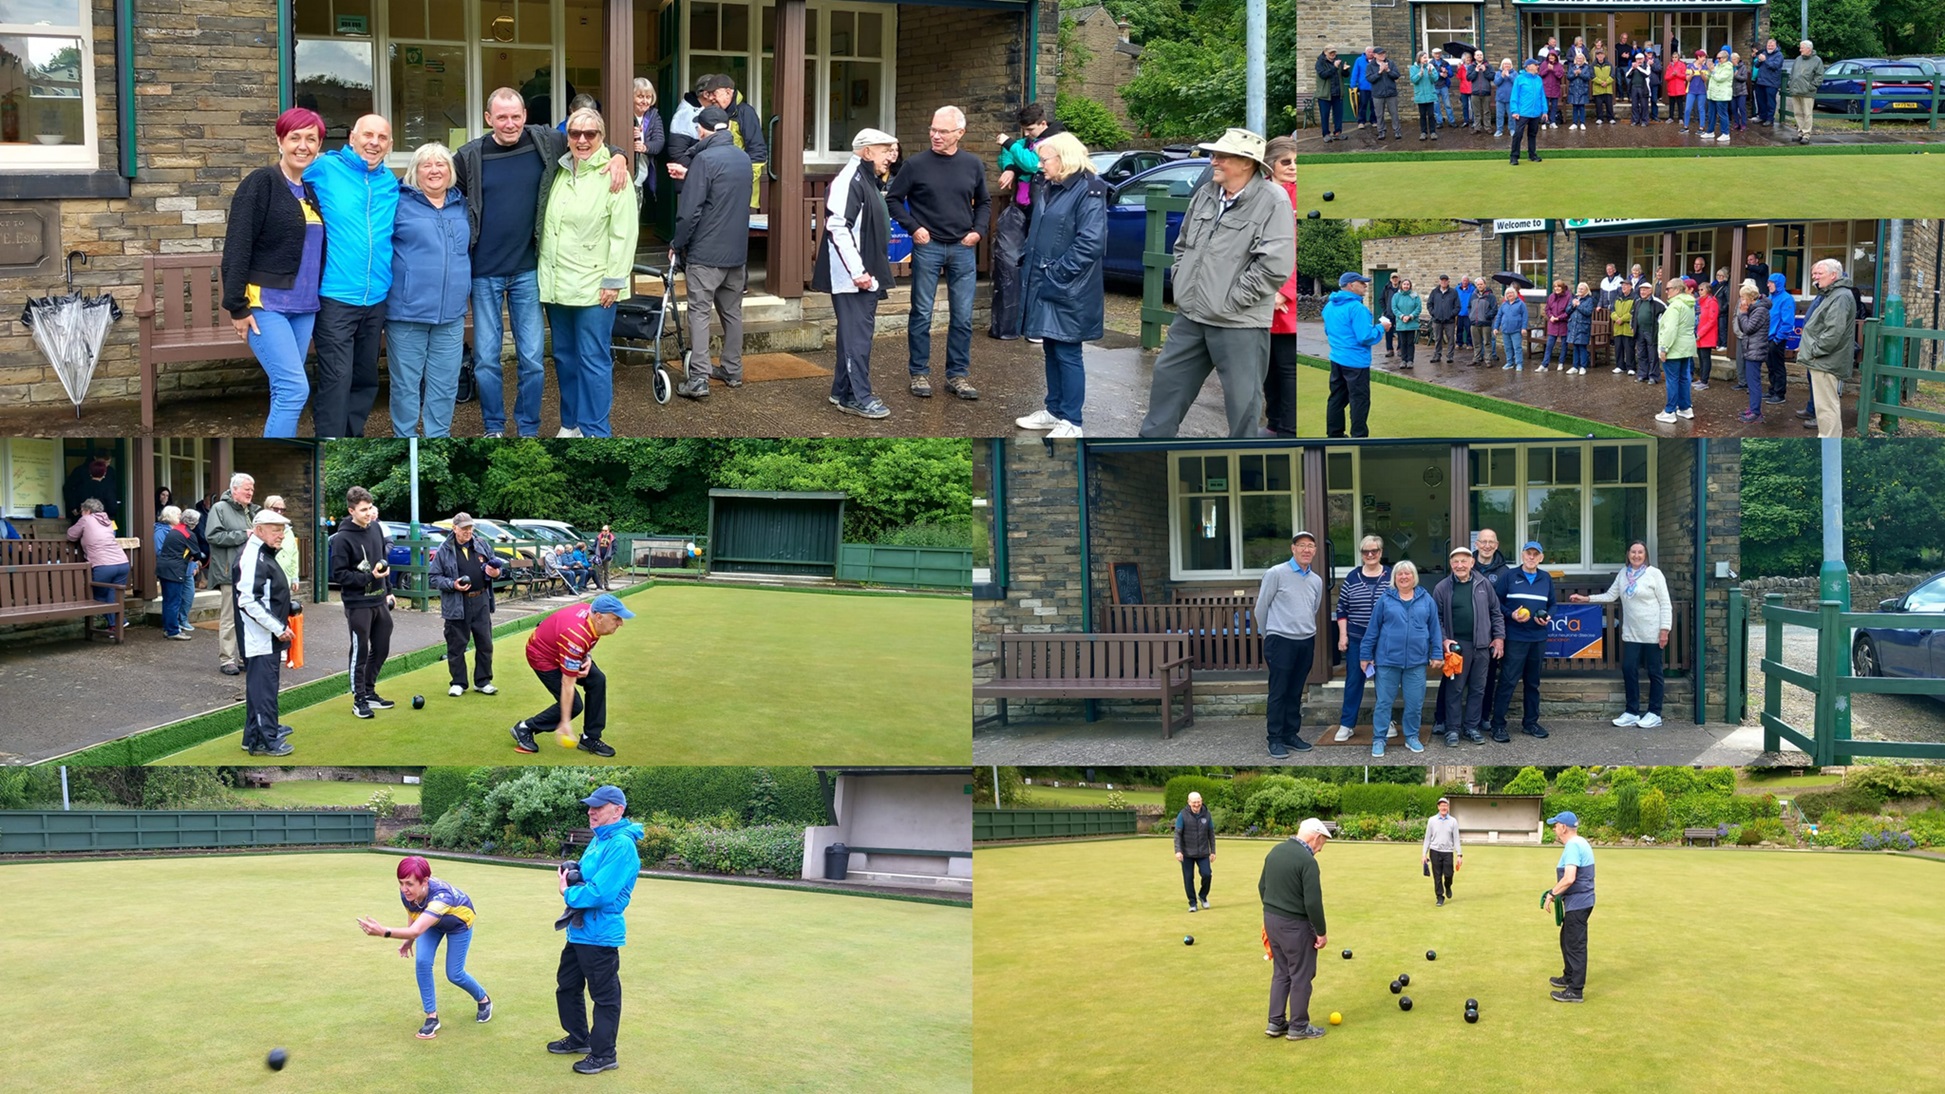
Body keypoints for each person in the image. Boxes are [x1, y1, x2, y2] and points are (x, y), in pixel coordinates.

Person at [455, 88, 630, 439]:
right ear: (488, 118)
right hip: (489, 273)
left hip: (529, 272)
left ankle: (530, 427)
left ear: (525, 116)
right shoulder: (469, 157)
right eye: (501, 117)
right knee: (489, 360)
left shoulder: (544, 143)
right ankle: (494, 426)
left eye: (516, 115)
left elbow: (591, 141)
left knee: (534, 361)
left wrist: (620, 156)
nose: (509, 123)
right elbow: (440, 188)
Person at [1136, 128, 1293, 438]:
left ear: (1246, 162)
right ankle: (1150, 452)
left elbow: (1275, 264)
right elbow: (1182, 245)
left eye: (1222, 156)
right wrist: (1181, 283)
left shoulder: (1273, 200)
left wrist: (1231, 301)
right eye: (1214, 154)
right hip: (1191, 315)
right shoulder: (1207, 192)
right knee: (1168, 381)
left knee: (1242, 403)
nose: (1214, 160)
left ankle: (1245, 470)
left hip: (1240, 322)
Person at [222, 107, 326, 437]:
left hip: (304, 308)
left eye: (311, 139)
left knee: (283, 391)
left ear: (319, 145)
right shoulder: (262, 182)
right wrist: (237, 306)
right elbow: (237, 246)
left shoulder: (309, 191)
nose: (303, 145)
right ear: (280, 140)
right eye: (295, 137)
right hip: (266, 307)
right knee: (295, 390)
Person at [536, 107, 637, 437]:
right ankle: (571, 424)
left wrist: (614, 281)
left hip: (596, 288)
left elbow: (624, 234)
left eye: (590, 134)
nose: (582, 139)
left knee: (593, 360)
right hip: (557, 285)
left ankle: (596, 431)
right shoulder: (560, 172)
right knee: (565, 358)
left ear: (602, 137)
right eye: (575, 133)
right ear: (567, 137)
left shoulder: (614, 174)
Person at [887, 106, 990, 401]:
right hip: (927, 245)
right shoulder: (916, 165)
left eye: (943, 131)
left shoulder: (972, 164)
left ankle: (957, 375)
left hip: (963, 246)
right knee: (921, 312)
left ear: (960, 133)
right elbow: (894, 199)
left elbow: (983, 202)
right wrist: (913, 228)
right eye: (933, 129)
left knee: (963, 316)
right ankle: (919, 372)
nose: (935, 136)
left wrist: (978, 230)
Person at [306, 114, 399, 438]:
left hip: (376, 298)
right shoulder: (324, 169)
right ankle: (331, 438)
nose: (374, 142)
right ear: (352, 137)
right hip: (335, 296)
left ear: (389, 145)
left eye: (382, 137)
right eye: (368, 135)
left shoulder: (390, 182)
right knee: (337, 377)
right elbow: (286, 182)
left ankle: (352, 435)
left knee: (364, 376)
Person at [1016, 131, 1109, 440]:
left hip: (1070, 287)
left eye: (1044, 160)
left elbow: (1091, 242)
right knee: (1052, 347)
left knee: (1068, 351)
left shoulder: (1089, 190)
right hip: (1050, 280)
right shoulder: (1051, 186)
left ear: (1064, 158)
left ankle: (1072, 420)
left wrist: (1057, 273)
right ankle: (1054, 410)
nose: (1040, 165)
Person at [550, 784, 643, 1075]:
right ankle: (579, 1039)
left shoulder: (621, 844)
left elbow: (601, 892)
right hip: (579, 931)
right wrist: (573, 868)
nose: (591, 811)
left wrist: (567, 891)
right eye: (590, 806)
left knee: (604, 997)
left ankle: (604, 1055)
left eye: (598, 807)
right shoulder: (601, 838)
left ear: (618, 810)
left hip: (600, 934)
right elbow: (588, 873)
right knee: (567, 985)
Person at [811, 129, 899, 420]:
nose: (891, 156)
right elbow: (837, 226)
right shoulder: (851, 179)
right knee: (857, 338)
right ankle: (859, 397)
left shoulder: (864, 178)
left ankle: (842, 392)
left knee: (854, 335)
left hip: (862, 273)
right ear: (867, 151)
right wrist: (858, 272)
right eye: (886, 150)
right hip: (854, 276)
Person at [667, 105, 751, 403]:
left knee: (699, 313)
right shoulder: (743, 159)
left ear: (702, 130)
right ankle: (732, 370)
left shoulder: (704, 159)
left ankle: (699, 378)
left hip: (706, 253)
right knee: (732, 313)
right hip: (737, 253)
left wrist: (677, 244)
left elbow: (690, 212)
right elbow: (726, 195)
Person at [356, 857, 492, 1040]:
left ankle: (483, 999)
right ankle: (432, 1017)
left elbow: (417, 929)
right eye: (401, 883)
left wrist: (383, 932)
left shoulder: (441, 898)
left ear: (425, 881)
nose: (404, 889)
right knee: (422, 962)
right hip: (432, 923)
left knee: (454, 973)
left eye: (409, 884)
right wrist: (409, 940)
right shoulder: (407, 893)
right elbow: (414, 913)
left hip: (458, 923)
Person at [386, 143, 470, 438]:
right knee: (406, 386)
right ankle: (405, 439)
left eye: (441, 164)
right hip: (407, 313)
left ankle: (437, 438)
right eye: (426, 165)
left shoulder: (462, 205)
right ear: (415, 172)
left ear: (451, 171)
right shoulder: (397, 202)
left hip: (451, 315)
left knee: (445, 385)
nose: (435, 170)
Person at [512, 593, 635, 756]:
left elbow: (588, 639)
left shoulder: (592, 615)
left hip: (564, 647)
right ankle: (525, 728)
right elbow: (567, 683)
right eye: (616, 619)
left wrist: (587, 656)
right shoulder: (576, 636)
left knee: (597, 680)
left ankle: (590, 738)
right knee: (574, 706)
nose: (621, 623)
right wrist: (564, 722)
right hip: (543, 656)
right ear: (599, 617)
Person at [1572, 540, 1672, 728]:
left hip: (1653, 632)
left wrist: (1664, 630)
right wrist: (1586, 598)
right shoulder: (1624, 574)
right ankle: (1632, 711)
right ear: (1628, 554)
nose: (1636, 555)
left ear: (1645, 555)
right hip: (1632, 633)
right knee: (1628, 670)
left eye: (1640, 552)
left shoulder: (1654, 574)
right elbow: (1610, 596)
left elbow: (1665, 603)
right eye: (1633, 552)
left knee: (1654, 672)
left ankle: (1654, 713)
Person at [1359, 560, 1442, 757]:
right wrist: (1365, 654)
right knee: (1383, 703)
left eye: (1408, 574)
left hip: (1416, 663)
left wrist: (1437, 653)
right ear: (1394, 578)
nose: (1404, 577)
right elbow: (1373, 629)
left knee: (1414, 704)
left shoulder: (1426, 599)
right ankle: (1379, 739)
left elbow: (1435, 629)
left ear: (1414, 577)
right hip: (1387, 661)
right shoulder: (1385, 599)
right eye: (1399, 574)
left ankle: (1412, 736)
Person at [328, 486, 397, 719]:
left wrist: (387, 590)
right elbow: (339, 575)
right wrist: (369, 577)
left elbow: (381, 562)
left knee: (382, 645)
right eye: (364, 510)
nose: (369, 513)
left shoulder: (376, 529)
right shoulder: (342, 538)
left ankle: (369, 691)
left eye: (370, 508)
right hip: (357, 603)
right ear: (351, 510)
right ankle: (358, 699)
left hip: (379, 600)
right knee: (360, 650)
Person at [1260, 818, 1331, 1041]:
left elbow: (1262, 887)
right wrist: (1321, 931)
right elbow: (1312, 902)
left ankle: (1276, 1022)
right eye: (1323, 843)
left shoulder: (1276, 851)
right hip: (1295, 926)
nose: (1320, 849)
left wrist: (1274, 909)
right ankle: (1299, 1025)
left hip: (1271, 920)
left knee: (1281, 972)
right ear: (1316, 837)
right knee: (1301, 974)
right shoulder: (1307, 861)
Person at [1257, 531, 1324, 757]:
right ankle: (1274, 738)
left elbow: (1312, 608)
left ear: (1315, 551)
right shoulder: (1276, 573)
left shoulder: (1316, 580)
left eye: (1311, 546)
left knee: (1295, 691)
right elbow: (1261, 608)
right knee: (1279, 691)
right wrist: (1269, 635)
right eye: (1302, 545)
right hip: (1280, 641)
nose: (1306, 549)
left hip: (1305, 641)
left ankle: (1290, 734)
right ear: (1292, 548)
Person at [235, 509, 297, 756]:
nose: (281, 534)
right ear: (259, 530)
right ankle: (266, 739)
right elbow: (248, 601)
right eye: (275, 529)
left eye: (282, 529)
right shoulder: (254, 557)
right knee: (264, 689)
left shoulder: (261, 553)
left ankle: (254, 735)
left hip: (265, 635)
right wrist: (278, 627)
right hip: (259, 637)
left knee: (262, 687)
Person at [1433, 544, 1503, 747]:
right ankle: (1452, 729)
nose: (1460, 565)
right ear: (1451, 564)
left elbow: (1496, 613)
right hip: (1457, 648)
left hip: (1482, 645)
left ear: (1472, 562)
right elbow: (1435, 619)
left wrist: (1499, 638)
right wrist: (1444, 640)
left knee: (1478, 689)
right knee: (1454, 689)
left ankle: (1471, 727)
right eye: (1455, 561)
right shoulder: (1442, 588)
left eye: (1464, 561)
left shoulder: (1484, 584)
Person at [429, 513, 505, 700]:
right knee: (456, 645)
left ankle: (483, 681)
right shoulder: (445, 549)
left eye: (470, 527)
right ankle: (458, 682)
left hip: (481, 600)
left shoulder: (481, 544)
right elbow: (433, 578)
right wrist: (452, 584)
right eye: (464, 528)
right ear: (454, 528)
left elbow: (496, 570)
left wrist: (495, 573)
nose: (468, 531)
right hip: (457, 602)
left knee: (485, 643)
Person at [990, 105, 1046, 340]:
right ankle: (1008, 327)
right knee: (1009, 265)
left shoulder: (1052, 142)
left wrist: (1009, 143)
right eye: (1023, 130)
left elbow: (1033, 164)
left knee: (1038, 266)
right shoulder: (1025, 143)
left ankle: (1035, 326)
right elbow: (1005, 158)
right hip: (1021, 207)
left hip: (1042, 210)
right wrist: (1011, 167)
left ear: (1043, 124)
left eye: (1030, 129)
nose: (1026, 134)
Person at [1491, 540, 1555, 742]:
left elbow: (1552, 604)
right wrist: (1511, 615)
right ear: (1522, 555)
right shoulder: (1509, 576)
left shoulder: (1546, 578)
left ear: (1541, 557)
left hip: (1538, 637)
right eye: (1528, 553)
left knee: (1533, 683)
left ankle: (1530, 723)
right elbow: (1495, 603)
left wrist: (1547, 617)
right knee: (1508, 681)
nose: (1532, 557)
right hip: (1515, 637)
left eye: (1536, 554)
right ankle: (1498, 725)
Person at [1331, 534, 1391, 743]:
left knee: (1385, 682)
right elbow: (1342, 609)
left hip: (1385, 641)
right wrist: (1342, 635)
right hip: (1357, 638)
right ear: (1362, 554)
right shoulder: (1352, 577)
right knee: (1354, 681)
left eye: (1374, 550)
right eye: (1366, 551)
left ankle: (1387, 720)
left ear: (1381, 552)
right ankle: (1347, 724)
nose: (1370, 554)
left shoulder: (1391, 577)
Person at [1322, 273, 1388, 438]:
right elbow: (1365, 337)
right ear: (1351, 285)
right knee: (1359, 401)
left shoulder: (1329, 306)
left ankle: (1334, 434)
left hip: (1337, 358)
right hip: (1356, 362)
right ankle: (1359, 437)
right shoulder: (1357, 308)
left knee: (1336, 398)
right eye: (1362, 283)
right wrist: (1382, 328)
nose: (1366, 286)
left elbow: (1328, 331)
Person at [1798, 258, 1858, 438]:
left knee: (1826, 407)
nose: (1815, 277)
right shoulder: (1832, 294)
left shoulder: (1839, 296)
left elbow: (1833, 332)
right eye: (1814, 274)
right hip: (1824, 360)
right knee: (1826, 406)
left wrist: (1814, 351)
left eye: (1819, 273)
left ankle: (1828, 444)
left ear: (1833, 275)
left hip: (1825, 361)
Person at [206, 473, 259, 675]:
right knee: (229, 617)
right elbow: (212, 536)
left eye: (252, 489)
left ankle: (244, 656)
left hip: (250, 570)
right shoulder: (219, 508)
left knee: (247, 615)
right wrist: (242, 535)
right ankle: (227, 660)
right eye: (247, 489)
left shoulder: (251, 511)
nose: (250, 493)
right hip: (229, 571)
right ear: (234, 489)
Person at [1542, 811, 1595, 1003]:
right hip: (1579, 901)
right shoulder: (1580, 842)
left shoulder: (1573, 846)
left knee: (1575, 945)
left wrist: (1552, 894)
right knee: (1567, 939)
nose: (1554, 829)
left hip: (1579, 902)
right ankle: (1569, 976)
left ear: (1563, 827)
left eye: (1555, 825)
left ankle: (1575, 990)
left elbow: (1570, 877)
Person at [1265, 136, 1299, 436]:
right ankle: (1273, 420)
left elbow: (1293, 247)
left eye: (1296, 161)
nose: (1292, 167)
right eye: (1286, 162)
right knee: (1268, 366)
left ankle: (1289, 427)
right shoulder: (1263, 192)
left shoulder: (1298, 194)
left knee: (1288, 367)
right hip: (1263, 292)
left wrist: (1283, 290)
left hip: (1285, 297)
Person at [695, 74, 769, 208]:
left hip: (742, 195)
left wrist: (742, 181)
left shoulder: (746, 113)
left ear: (728, 92)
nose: (710, 98)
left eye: (714, 93)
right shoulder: (717, 112)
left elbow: (758, 153)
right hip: (720, 191)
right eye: (709, 94)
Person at [66, 498, 130, 633]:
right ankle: (118, 623)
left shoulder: (86, 519)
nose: (81, 514)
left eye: (82, 511)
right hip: (122, 562)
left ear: (87, 510)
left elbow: (71, 535)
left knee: (97, 594)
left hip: (103, 564)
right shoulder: (108, 521)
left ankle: (116, 623)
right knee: (113, 595)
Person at [1655, 278, 1698, 425]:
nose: (1666, 291)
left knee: (1672, 379)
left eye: (1669, 288)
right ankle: (1685, 408)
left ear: (1678, 289)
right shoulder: (1689, 304)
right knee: (1684, 378)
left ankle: (1669, 411)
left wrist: (1663, 348)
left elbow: (1670, 330)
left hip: (1674, 348)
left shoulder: (1675, 306)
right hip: (1686, 347)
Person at [156, 506, 201, 640]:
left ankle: (168, 628)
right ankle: (173, 631)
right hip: (175, 570)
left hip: (164, 568)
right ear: (193, 523)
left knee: (168, 601)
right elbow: (197, 554)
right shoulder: (188, 534)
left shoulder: (174, 530)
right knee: (174, 601)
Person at [1734, 280, 1772, 423]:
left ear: (1750, 297)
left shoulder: (1760, 311)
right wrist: (1744, 314)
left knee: (1754, 382)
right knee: (1751, 381)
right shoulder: (1755, 309)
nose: (1741, 300)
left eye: (1743, 297)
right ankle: (1753, 408)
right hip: (1752, 349)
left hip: (1755, 350)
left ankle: (1756, 412)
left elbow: (1748, 328)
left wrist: (1743, 314)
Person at [1174, 791, 1217, 912]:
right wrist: (1178, 851)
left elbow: (1211, 834)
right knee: (1188, 878)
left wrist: (1213, 851)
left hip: (1203, 852)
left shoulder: (1207, 814)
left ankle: (1203, 896)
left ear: (1201, 801)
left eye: (1198, 802)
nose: (1196, 805)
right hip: (1187, 853)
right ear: (1189, 802)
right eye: (1194, 802)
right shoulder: (1182, 815)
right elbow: (1177, 834)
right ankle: (1192, 903)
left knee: (1207, 875)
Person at [1421, 797, 1463, 906]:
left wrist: (1459, 854)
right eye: (1441, 805)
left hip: (1448, 851)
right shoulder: (1432, 820)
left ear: (1448, 807)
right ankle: (1439, 897)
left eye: (1445, 805)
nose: (1443, 807)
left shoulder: (1453, 821)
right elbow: (1427, 838)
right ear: (1438, 807)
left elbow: (1456, 839)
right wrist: (1423, 854)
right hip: (1435, 851)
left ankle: (1448, 885)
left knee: (1449, 874)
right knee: (1437, 875)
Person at [631, 77, 665, 210]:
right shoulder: (623, 114)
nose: (645, 101)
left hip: (643, 171)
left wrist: (644, 146)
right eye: (640, 96)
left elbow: (659, 142)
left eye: (648, 97)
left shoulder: (654, 116)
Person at [1787, 40, 1826, 143]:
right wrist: (1791, 83)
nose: (1800, 50)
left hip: (1807, 92)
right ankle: (1800, 133)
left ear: (1809, 49)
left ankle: (1806, 135)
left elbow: (1819, 76)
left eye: (1802, 48)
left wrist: (1811, 86)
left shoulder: (1817, 61)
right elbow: (1792, 73)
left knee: (1807, 114)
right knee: (1798, 113)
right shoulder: (1798, 59)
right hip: (1796, 90)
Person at [1765, 272, 1795, 406]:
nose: (1768, 285)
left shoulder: (1786, 299)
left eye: (1771, 282)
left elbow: (1787, 322)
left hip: (1777, 339)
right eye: (1768, 282)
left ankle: (1780, 393)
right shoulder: (1770, 297)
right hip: (1768, 337)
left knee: (1778, 366)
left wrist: (1778, 338)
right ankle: (1772, 390)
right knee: (1770, 366)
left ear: (1778, 284)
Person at [1509, 57, 1546, 164]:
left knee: (1532, 134)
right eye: (1536, 65)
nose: (1538, 67)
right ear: (1529, 66)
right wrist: (1514, 111)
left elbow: (1542, 96)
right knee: (1518, 134)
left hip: (1535, 112)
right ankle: (1514, 157)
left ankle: (1532, 155)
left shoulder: (1539, 79)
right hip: (1522, 112)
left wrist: (1544, 111)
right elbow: (1514, 96)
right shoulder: (1519, 79)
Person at [261, 494, 299, 594]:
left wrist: (294, 578)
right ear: (267, 508)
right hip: (268, 580)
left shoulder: (288, 532)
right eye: (276, 509)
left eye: (282, 510)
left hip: (286, 579)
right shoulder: (262, 531)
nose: (279, 512)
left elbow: (294, 555)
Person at [1632, 279, 1665, 385]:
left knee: (1652, 355)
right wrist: (1633, 326)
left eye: (1645, 290)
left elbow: (1666, 314)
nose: (1642, 292)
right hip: (1640, 331)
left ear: (1650, 291)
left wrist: (1660, 327)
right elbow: (1634, 316)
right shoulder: (1637, 302)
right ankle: (1642, 374)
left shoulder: (1657, 302)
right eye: (1641, 290)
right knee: (1641, 354)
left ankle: (1654, 376)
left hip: (1651, 332)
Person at [1314, 48, 1348, 141]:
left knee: (1338, 114)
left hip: (1337, 93)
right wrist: (1335, 67)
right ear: (1325, 53)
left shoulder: (1338, 61)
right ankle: (1326, 134)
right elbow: (1323, 75)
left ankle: (1338, 133)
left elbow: (1344, 75)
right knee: (1325, 115)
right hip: (1325, 94)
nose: (1333, 54)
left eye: (1334, 52)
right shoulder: (1320, 63)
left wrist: (1345, 70)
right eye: (1331, 52)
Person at [1368, 49, 1402, 140]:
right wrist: (1379, 72)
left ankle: (1397, 131)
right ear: (1374, 55)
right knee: (1379, 114)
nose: (1383, 55)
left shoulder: (1391, 63)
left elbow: (1397, 75)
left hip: (1391, 93)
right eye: (1380, 54)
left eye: (1384, 53)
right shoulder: (1370, 66)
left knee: (1394, 113)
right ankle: (1381, 131)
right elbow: (1370, 79)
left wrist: (1388, 71)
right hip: (1378, 94)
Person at [1389, 277, 1422, 369]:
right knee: (1402, 342)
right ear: (1401, 285)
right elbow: (1394, 308)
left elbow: (1418, 308)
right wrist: (1402, 316)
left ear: (1410, 286)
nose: (1406, 286)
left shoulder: (1415, 296)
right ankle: (1403, 360)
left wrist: (1411, 316)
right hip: (1401, 323)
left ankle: (1410, 360)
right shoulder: (1396, 296)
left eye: (1407, 284)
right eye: (1404, 284)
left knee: (1410, 342)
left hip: (1412, 323)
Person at [1694, 276, 1721, 387]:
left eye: (1702, 289)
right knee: (1701, 357)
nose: (1700, 292)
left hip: (1706, 334)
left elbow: (1711, 320)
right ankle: (1702, 379)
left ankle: (1705, 381)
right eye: (1699, 290)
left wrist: (1701, 333)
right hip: (1699, 334)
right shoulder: (1700, 302)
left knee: (1705, 358)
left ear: (1708, 291)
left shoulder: (1711, 302)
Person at [1564, 281, 1595, 376]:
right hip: (1573, 326)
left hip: (1583, 327)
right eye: (1578, 288)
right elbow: (1567, 311)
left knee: (1582, 347)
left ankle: (1583, 366)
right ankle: (1574, 366)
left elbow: (1588, 312)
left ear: (1586, 290)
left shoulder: (1589, 300)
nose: (1580, 290)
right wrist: (1573, 305)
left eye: (1582, 289)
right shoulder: (1574, 298)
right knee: (1575, 347)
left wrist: (1578, 305)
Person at [1425, 275, 1459, 365]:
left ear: (1448, 281)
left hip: (1449, 321)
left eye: (1445, 280)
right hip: (1437, 320)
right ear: (1439, 281)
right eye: (1442, 280)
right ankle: (1437, 355)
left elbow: (1457, 306)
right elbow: (1429, 304)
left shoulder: (1453, 292)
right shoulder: (1434, 292)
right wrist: (1434, 313)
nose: (1444, 282)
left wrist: (1451, 315)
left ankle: (1450, 356)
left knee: (1451, 339)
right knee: (1437, 339)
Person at [1494, 287, 1528, 371]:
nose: (1509, 295)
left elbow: (1525, 317)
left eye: (1511, 293)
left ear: (1515, 294)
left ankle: (1519, 363)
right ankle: (1510, 363)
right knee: (1508, 348)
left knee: (1517, 348)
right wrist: (1496, 327)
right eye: (1508, 293)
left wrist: (1524, 327)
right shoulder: (1504, 305)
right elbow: (1499, 316)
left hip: (1516, 330)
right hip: (1505, 330)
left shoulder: (1521, 304)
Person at [1540, 279, 1570, 372]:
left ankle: (1561, 363)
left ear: (1563, 287)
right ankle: (1544, 365)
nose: (1556, 288)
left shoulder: (1568, 296)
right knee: (1549, 345)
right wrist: (1551, 316)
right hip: (1553, 324)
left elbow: (1569, 311)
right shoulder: (1551, 297)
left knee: (1564, 345)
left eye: (1558, 286)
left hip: (1563, 324)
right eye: (1555, 287)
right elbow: (1547, 309)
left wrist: (1559, 318)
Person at [1705, 48, 1735, 141]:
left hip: (1722, 95)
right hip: (1713, 94)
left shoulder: (1728, 67)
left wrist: (1713, 70)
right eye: (1717, 58)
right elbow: (1709, 77)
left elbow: (1720, 78)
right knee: (1711, 114)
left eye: (1720, 58)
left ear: (1726, 58)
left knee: (1722, 114)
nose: (1718, 60)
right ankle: (1710, 132)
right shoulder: (1718, 66)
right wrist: (1709, 70)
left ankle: (1725, 133)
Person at [1409, 52, 1440, 140]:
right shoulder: (1413, 68)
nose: (1426, 59)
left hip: (1430, 95)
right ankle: (1423, 132)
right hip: (1420, 96)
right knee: (1422, 115)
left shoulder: (1431, 67)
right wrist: (1420, 74)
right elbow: (1413, 80)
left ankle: (1433, 132)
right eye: (1424, 57)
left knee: (1431, 115)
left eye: (1426, 57)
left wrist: (1430, 73)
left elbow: (1435, 79)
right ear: (1419, 58)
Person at [1467, 278, 1498, 365]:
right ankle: (1476, 358)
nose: (1480, 286)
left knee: (1487, 343)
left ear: (1485, 284)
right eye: (1478, 284)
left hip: (1486, 324)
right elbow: (1469, 307)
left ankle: (1488, 360)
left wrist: (1487, 316)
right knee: (1476, 343)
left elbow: (1494, 309)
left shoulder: (1491, 296)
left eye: (1481, 284)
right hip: (1474, 323)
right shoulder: (1473, 295)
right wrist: (1471, 315)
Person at [1754, 38, 1784, 126]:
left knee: (1770, 102)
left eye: (1772, 46)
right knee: (1761, 101)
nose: (1770, 47)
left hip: (1772, 82)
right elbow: (1756, 65)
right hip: (1761, 81)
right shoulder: (1763, 53)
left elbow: (1774, 66)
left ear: (1775, 46)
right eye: (1768, 45)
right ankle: (1762, 116)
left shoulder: (1779, 55)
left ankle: (1770, 119)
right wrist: (1759, 60)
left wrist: (1765, 60)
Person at [1610, 283, 1635, 377]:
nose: (1623, 287)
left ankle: (1631, 367)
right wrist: (1616, 318)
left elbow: (1633, 312)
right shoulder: (1617, 297)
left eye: (1626, 285)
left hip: (1628, 328)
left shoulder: (1634, 298)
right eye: (1622, 286)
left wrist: (1623, 319)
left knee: (1629, 349)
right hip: (1618, 327)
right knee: (1618, 348)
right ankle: (1620, 366)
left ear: (1631, 287)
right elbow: (1612, 310)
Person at [1624, 50, 1655, 126]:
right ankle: (1635, 120)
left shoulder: (1646, 66)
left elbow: (1647, 74)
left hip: (1643, 88)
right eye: (1638, 59)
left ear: (1643, 59)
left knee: (1644, 105)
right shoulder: (1633, 68)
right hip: (1634, 88)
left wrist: (1638, 67)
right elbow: (1627, 75)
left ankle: (1644, 121)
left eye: (1641, 59)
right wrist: (1632, 68)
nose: (1639, 60)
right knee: (1634, 105)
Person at [1565, 48, 1591, 129]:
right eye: (1578, 58)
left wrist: (1580, 74)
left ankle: (1582, 123)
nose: (1579, 60)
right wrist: (1575, 74)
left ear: (1583, 59)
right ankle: (1575, 123)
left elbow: (1587, 77)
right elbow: (1569, 77)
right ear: (1575, 59)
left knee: (1582, 107)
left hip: (1583, 89)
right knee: (1575, 107)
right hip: (1573, 89)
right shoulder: (1571, 67)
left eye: (1581, 58)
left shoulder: (1586, 67)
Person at [1539, 48, 1565, 128]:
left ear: (1556, 57)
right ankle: (1544, 122)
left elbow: (1560, 75)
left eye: (1553, 56)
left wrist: (1553, 70)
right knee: (1545, 106)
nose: (1551, 57)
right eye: (1550, 56)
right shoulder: (1544, 64)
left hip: (1555, 88)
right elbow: (1540, 74)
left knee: (1554, 106)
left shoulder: (1559, 65)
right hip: (1546, 88)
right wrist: (1547, 69)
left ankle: (1552, 122)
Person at [1469, 53, 1495, 134]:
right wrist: (1475, 71)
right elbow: (1469, 78)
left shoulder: (1489, 66)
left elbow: (1492, 77)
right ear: (1474, 57)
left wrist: (1485, 71)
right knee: (1476, 112)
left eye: (1481, 55)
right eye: (1478, 55)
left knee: (1486, 111)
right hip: (1475, 92)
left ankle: (1487, 127)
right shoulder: (1471, 67)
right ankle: (1477, 128)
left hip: (1486, 92)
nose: (1479, 56)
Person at [1350, 47, 1375, 129]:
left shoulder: (1376, 60)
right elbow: (1355, 72)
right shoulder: (1359, 60)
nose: (1370, 53)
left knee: (1374, 105)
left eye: (1372, 52)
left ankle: (1374, 121)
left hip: (1374, 87)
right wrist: (1353, 84)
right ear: (1365, 52)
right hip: (1363, 87)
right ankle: (1361, 122)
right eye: (1369, 52)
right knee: (1362, 105)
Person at [1377, 273, 1401, 358]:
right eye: (1393, 278)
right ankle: (1389, 350)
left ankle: (1400, 349)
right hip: (1389, 314)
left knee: (1400, 332)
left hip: (1399, 315)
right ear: (1390, 279)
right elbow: (1381, 299)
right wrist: (1385, 310)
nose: (1395, 279)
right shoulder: (1386, 288)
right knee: (1389, 333)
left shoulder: (1401, 288)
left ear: (1399, 279)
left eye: (1396, 278)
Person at [1665, 50, 1690, 129]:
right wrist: (1673, 75)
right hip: (1672, 87)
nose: (1674, 59)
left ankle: (1680, 118)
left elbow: (1685, 76)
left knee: (1680, 104)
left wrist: (1677, 74)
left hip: (1679, 88)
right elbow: (1666, 77)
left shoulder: (1682, 65)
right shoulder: (1669, 66)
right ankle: (1671, 117)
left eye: (1676, 57)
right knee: (1671, 104)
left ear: (1678, 58)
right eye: (1673, 57)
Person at [1590, 47, 1615, 124]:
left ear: (1604, 55)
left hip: (1607, 88)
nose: (1600, 56)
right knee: (1598, 105)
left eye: (1601, 54)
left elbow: (1613, 75)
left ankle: (1610, 118)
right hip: (1598, 89)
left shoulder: (1609, 64)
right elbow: (1592, 76)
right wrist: (1601, 82)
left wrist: (1606, 82)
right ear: (1596, 56)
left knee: (1609, 105)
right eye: (1598, 54)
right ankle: (1599, 118)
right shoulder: (1592, 65)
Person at [1492, 58, 1516, 138]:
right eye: (1505, 64)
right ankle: (1499, 130)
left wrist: (1509, 76)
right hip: (1500, 99)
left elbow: (1516, 82)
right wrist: (1502, 76)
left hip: (1511, 99)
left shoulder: (1514, 73)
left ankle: (1512, 129)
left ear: (1511, 65)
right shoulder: (1498, 73)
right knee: (1499, 115)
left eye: (1508, 64)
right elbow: (1496, 83)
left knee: (1511, 115)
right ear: (1502, 65)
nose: (1507, 65)